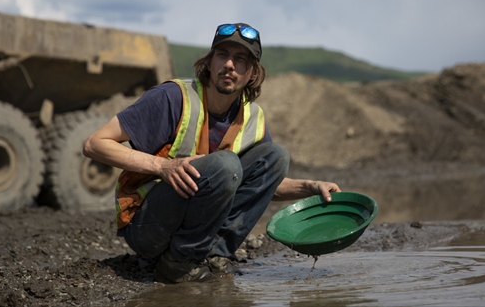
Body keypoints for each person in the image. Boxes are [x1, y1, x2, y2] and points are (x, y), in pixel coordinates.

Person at [83, 22, 341, 283]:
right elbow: (95, 144)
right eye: (222, 55)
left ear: (252, 73)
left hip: (193, 224)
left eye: (240, 59)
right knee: (226, 164)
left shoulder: (252, 117)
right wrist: (163, 167)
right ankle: (179, 262)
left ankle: (214, 254)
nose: (229, 64)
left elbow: (262, 184)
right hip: (147, 225)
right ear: (209, 62)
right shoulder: (172, 97)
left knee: (276, 157)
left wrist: (311, 185)